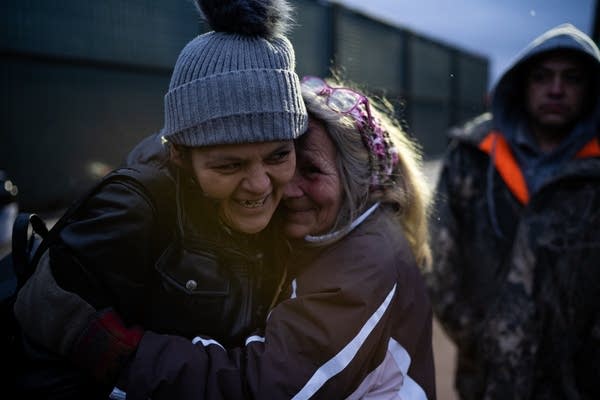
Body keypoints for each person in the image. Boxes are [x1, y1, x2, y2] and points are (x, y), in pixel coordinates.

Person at [11, 0, 307, 398]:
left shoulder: (297, 205)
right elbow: (44, 330)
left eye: (277, 156)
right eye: (228, 166)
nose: (259, 184)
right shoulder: (133, 209)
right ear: (180, 155)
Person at [107, 76, 436, 399]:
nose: (285, 189)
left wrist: (120, 355)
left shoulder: (367, 260)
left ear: (358, 181)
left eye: (312, 171)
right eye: (284, 160)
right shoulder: (325, 233)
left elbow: (266, 386)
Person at [426, 23, 600, 400]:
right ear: (522, 84)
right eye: (542, 77)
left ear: (590, 89)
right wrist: (482, 338)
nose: (556, 89)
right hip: (485, 377)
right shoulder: (473, 155)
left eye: (572, 78)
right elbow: (439, 258)